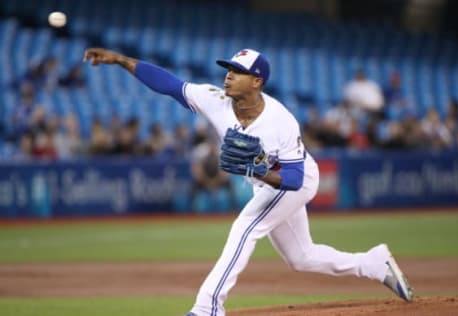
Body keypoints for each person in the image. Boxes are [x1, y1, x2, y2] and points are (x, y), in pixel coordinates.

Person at [84, 47, 413, 316]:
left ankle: (207, 307)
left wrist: (258, 172)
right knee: (301, 258)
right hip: (268, 183)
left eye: (237, 71)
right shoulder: (216, 100)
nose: (228, 75)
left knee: (245, 227)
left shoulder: (280, 121)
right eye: (228, 68)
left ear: (257, 81)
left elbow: (295, 180)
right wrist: (120, 60)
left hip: (291, 181)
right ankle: (372, 263)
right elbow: (170, 85)